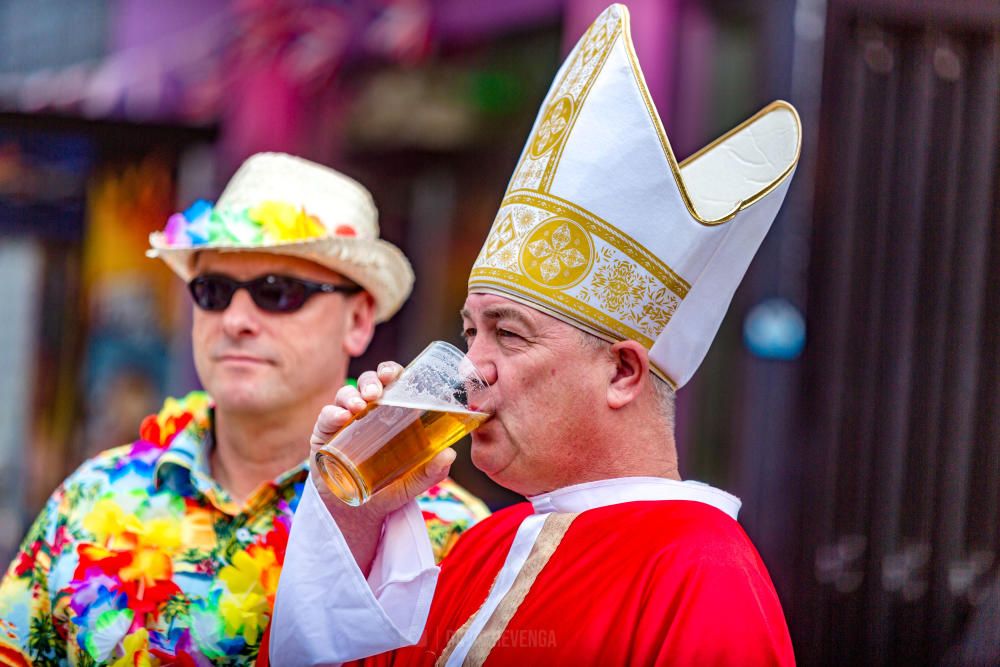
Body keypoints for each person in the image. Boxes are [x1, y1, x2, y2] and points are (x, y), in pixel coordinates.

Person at [262, 4, 802, 665]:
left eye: (509, 335)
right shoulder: (488, 543)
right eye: (470, 330)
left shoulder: (704, 570)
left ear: (623, 372)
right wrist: (355, 517)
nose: (471, 367)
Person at [0, 153, 488, 666]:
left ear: (359, 319)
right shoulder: (91, 497)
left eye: (276, 292)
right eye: (213, 291)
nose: (235, 320)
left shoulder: (449, 534)